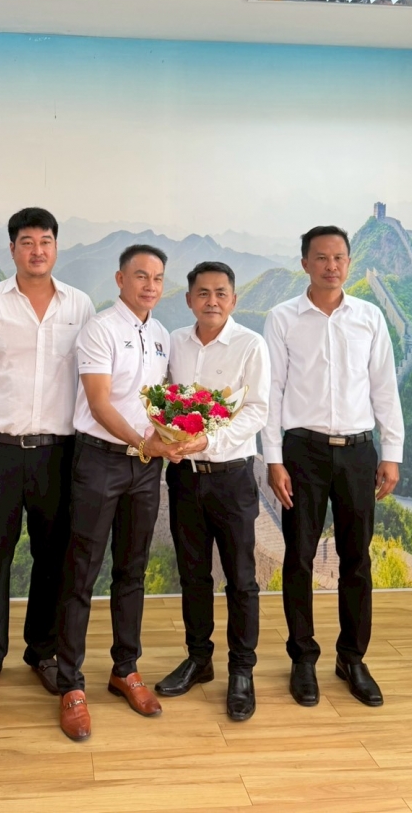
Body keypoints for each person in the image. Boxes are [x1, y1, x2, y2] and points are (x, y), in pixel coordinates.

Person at [0, 207, 95, 703]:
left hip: (60, 452)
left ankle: (44, 652)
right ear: (12, 249)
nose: (37, 250)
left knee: (53, 557)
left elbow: (92, 381)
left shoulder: (79, 305)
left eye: (46, 241)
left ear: (56, 247)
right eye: (27, 242)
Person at [56, 244, 198, 742]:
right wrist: (144, 444)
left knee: (131, 570)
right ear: (120, 279)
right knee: (82, 571)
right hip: (100, 460)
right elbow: (98, 404)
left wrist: (176, 438)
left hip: (145, 467)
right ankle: (70, 684)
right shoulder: (98, 329)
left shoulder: (160, 336)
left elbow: (161, 404)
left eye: (158, 278)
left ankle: (125, 669)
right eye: (140, 276)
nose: (150, 286)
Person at [262, 226, 404, 709]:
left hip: (359, 452)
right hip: (302, 451)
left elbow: (384, 387)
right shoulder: (282, 318)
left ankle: (352, 658)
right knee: (299, 557)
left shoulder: (369, 317)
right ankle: (303, 658)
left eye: (339, 257)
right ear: (305, 263)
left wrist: (391, 452)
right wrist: (274, 459)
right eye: (321, 257)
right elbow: (272, 392)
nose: (331, 266)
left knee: (356, 558)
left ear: (349, 261)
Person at [155, 262, 270, 722]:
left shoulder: (251, 344)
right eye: (202, 293)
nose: (212, 301)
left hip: (232, 477)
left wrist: (209, 440)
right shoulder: (175, 342)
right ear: (189, 300)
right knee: (194, 574)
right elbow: (163, 398)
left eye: (221, 293)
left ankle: (242, 670)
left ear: (234, 299)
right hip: (184, 477)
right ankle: (199, 659)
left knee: (241, 578)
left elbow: (257, 410)